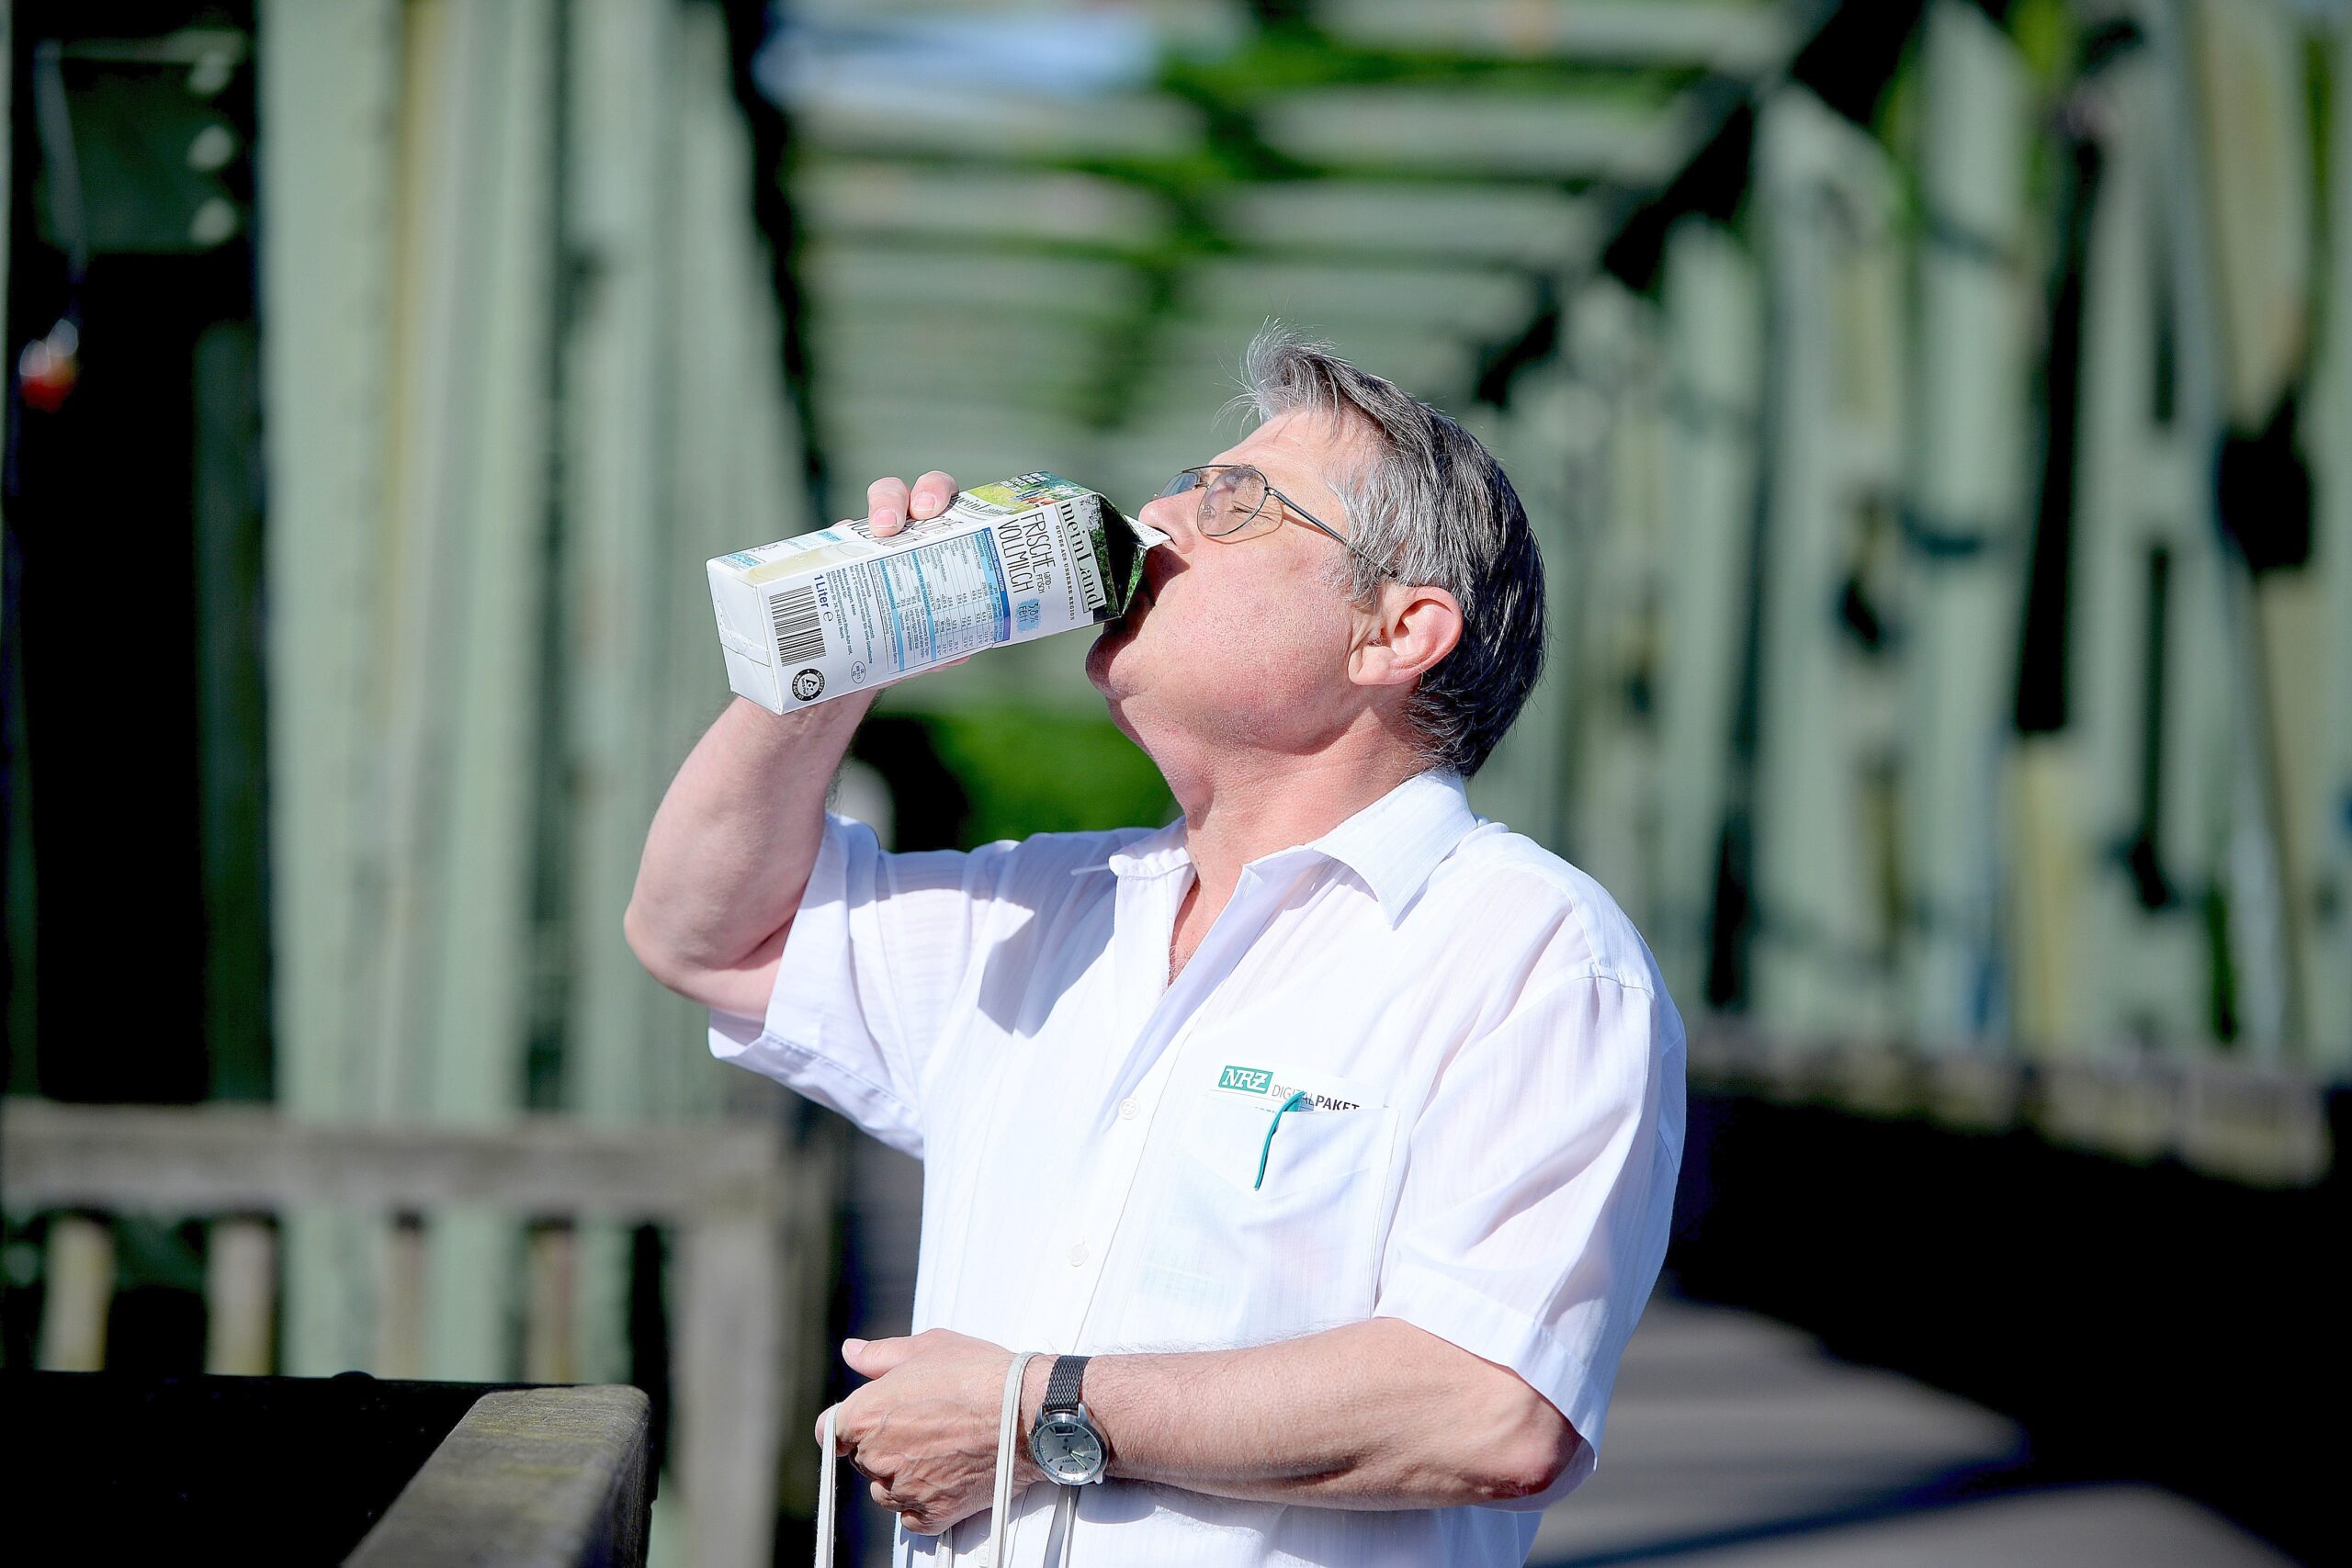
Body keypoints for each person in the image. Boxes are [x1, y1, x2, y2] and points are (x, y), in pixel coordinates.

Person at [626, 326, 1686, 1566]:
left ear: (1394, 634)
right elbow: (708, 931)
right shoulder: (1056, 905)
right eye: (1189, 478)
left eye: (1236, 501)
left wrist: (1037, 1412)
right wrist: (832, 652)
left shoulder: (1526, 951)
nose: (1159, 514)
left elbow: (1494, 1410)